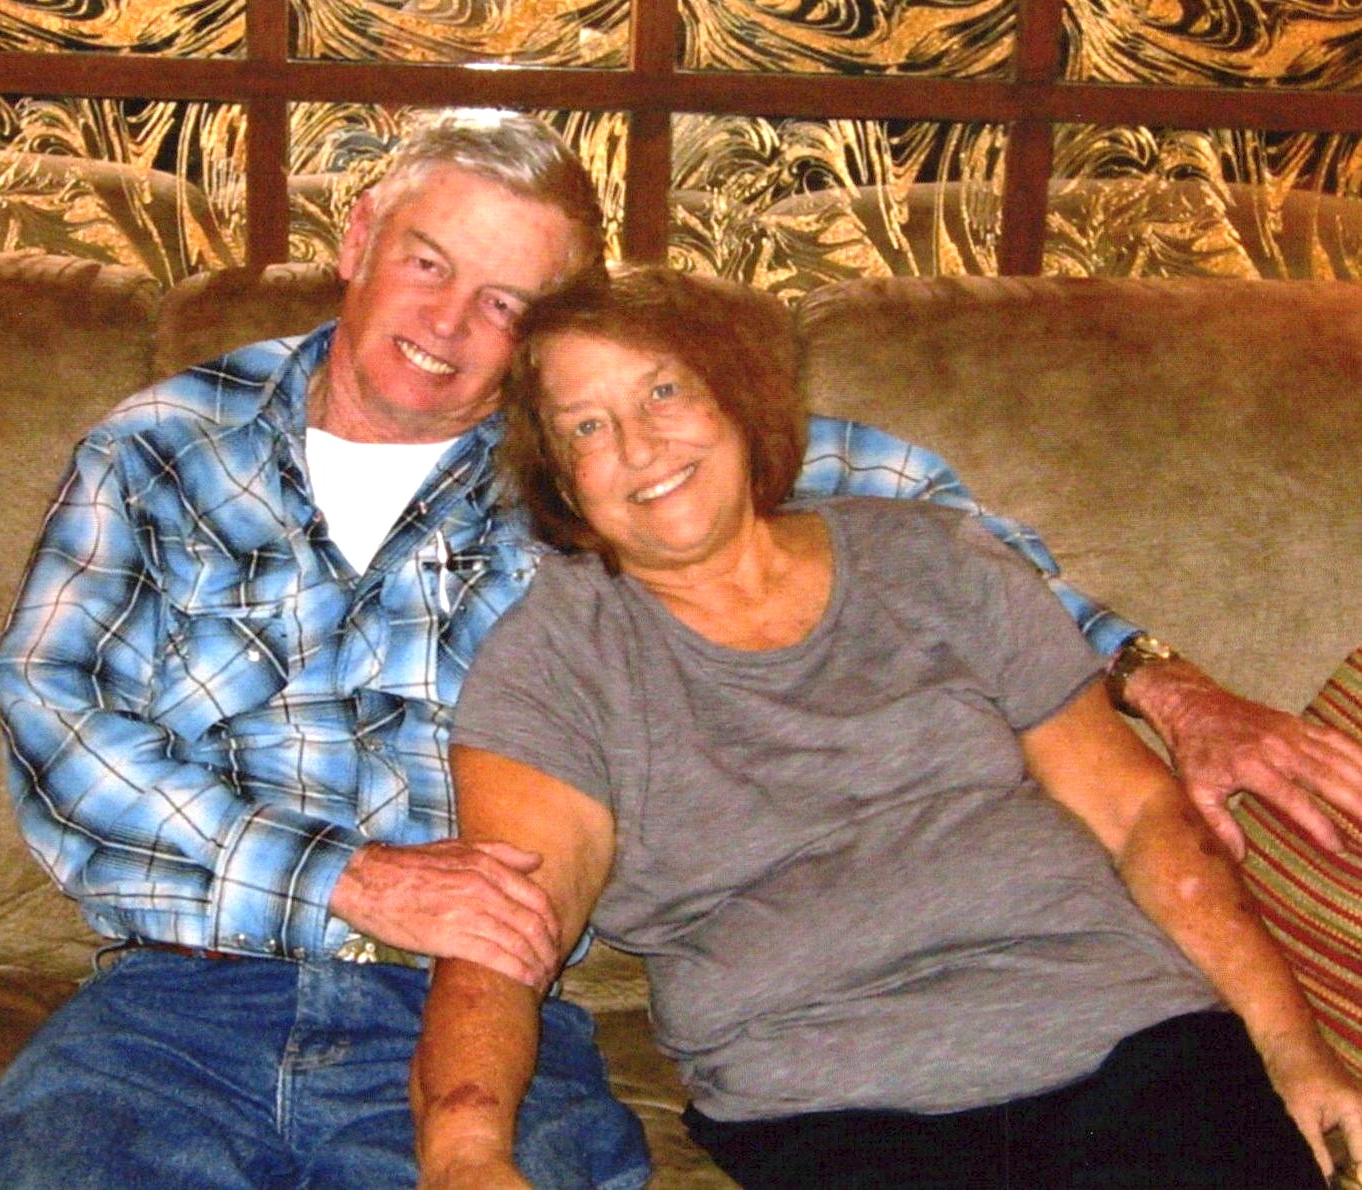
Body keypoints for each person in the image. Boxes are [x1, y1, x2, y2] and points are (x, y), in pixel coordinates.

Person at [0, 109, 1361, 1186]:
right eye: (428, 262)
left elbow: (909, 524)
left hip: (473, 1009)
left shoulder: (583, 467)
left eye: (506, 303)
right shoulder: (162, 448)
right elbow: (55, 720)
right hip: (176, 1000)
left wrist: (1163, 681)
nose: (449, 322)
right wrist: (353, 879)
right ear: (359, 239)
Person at [414, 264, 1362, 1188]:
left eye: (663, 390)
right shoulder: (554, 662)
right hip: (830, 1104)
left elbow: (1138, 814)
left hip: (1131, 1039)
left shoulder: (934, 557)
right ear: (562, 484)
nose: (639, 443)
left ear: (735, 400)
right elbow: (507, 926)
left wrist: (1292, 1047)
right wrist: (463, 1154)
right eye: (586, 425)